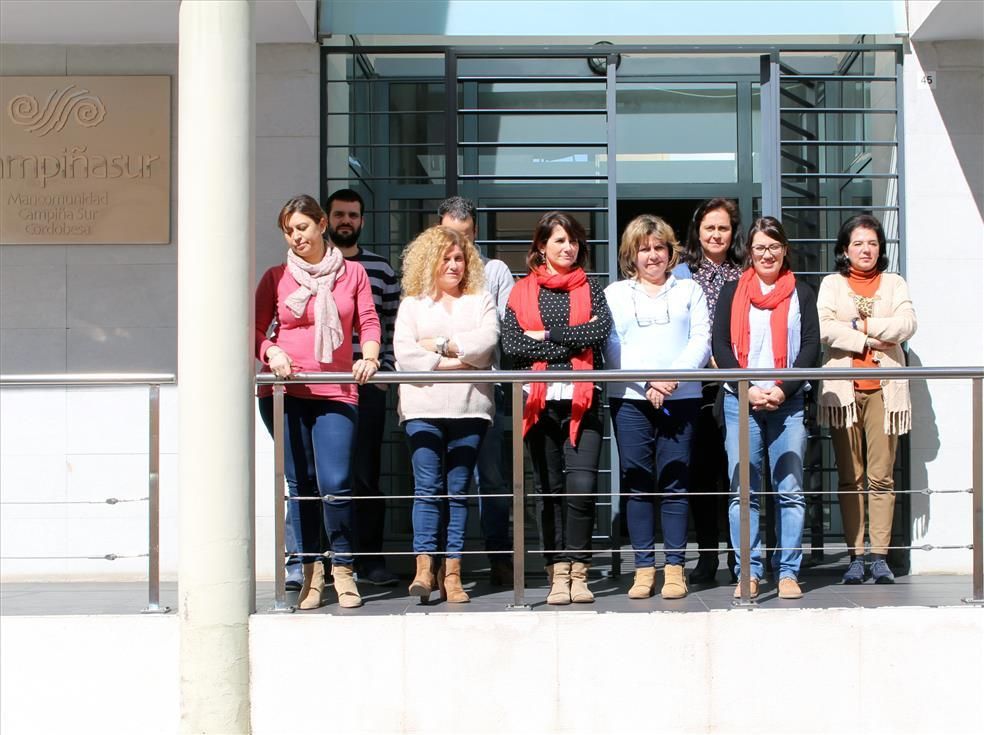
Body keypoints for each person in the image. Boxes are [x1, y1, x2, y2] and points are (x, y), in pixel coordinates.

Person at [255, 194, 381, 609]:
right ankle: (310, 574)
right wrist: (272, 352)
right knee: (301, 486)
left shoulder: (354, 273)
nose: (295, 237)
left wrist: (370, 354)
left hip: (337, 390)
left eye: (302, 228)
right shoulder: (276, 277)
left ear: (321, 224)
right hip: (286, 393)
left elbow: (368, 319)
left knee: (336, 484)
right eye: (289, 231)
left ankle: (344, 569)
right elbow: (255, 330)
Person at [501, 211, 612, 605]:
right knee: (548, 491)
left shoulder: (592, 287)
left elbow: (598, 332)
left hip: (585, 401)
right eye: (560, 241)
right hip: (540, 402)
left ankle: (579, 571)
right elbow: (513, 345)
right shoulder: (521, 291)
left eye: (574, 241)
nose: (568, 248)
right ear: (542, 246)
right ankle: (556, 572)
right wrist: (572, 344)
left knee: (582, 489)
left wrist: (546, 335)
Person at [712, 216, 819, 600]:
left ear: (784, 249)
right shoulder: (731, 292)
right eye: (760, 247)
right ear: (749, 252)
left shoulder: (802, 293)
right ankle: (750, 572)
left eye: (774, 246)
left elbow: (810, 349)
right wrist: (749, 389)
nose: (767, 253)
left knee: (789, 488)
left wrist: (779, 388)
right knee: (744, 491)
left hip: (786, 404)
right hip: (741, 402)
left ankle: (788, 572)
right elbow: (720, 347)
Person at [604, 215, 710, 600]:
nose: (652, 256)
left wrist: (670, 380)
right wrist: (649, 381)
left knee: (676, 482)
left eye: (659, 248)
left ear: (670, 251)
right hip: (630, 398)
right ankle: (644, 568)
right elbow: (612, 347)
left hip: (681, 399)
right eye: (644, 249)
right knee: (637, 483)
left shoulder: (689, 290)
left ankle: (676, 568)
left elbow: (701, 340)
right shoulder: (615, 294)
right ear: (632, 254)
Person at [394, 226, 499, 604]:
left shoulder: (480, 299)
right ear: (429, 261)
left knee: (458, 492)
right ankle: (424, 568)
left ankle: (451, 574)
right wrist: (458, 359)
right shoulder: (413, 304)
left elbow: (486, 346)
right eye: (447, 258)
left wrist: (435, 349)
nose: (454, 265)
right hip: (422, 408)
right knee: (427, 489)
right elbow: (405, 356)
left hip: (469, 408)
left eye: (459, 258)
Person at [818, 214, 917, 585]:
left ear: (881, 248)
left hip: (885, 391)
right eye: (858, 243)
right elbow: (826, 329)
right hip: (843, 391)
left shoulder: (894, 283)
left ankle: (879, 556)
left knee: (881, 478)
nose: (866, 249)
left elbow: (906, 324)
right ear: (845, 249)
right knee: (850, 477)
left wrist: (859, 326)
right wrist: (869, 340)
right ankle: (855, 556)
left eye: (872, 243)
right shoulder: (832, 283)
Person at [324, 188, 401, 587]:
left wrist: (384, 371)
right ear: (326, 219)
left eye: (353, 215)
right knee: (326, 477)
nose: (346, 221)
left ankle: (370, 562)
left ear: (362, 220)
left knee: (366, 474)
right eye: (339, 214)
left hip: (368, 385)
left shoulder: (381, 269)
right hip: (323, 387)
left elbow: (391, 325)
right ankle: (324, 563)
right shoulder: (314, 268)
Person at [438, 195, 516, 586]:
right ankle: (443, 565)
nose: (459, 245)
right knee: (444, 479)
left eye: (465, 236)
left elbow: (496, 332)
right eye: (451, 234)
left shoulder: (495, 271)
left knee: (492, 478)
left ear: (476, 233)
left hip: (486, 389)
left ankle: (500, 558)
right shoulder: (426, 270)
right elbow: (417, 332)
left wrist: (451, 345)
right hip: (436, 391)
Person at [674, 198, 745, 585]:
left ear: (733, 233)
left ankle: (740, 556)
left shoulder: (745, 273)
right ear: (697, 231)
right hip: (696, 388)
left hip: (735, 387)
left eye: (723, 228)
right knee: (701, 475)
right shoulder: (682, 273)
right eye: (709, 228)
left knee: (736, 473)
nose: (716, 235)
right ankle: (706, 555)